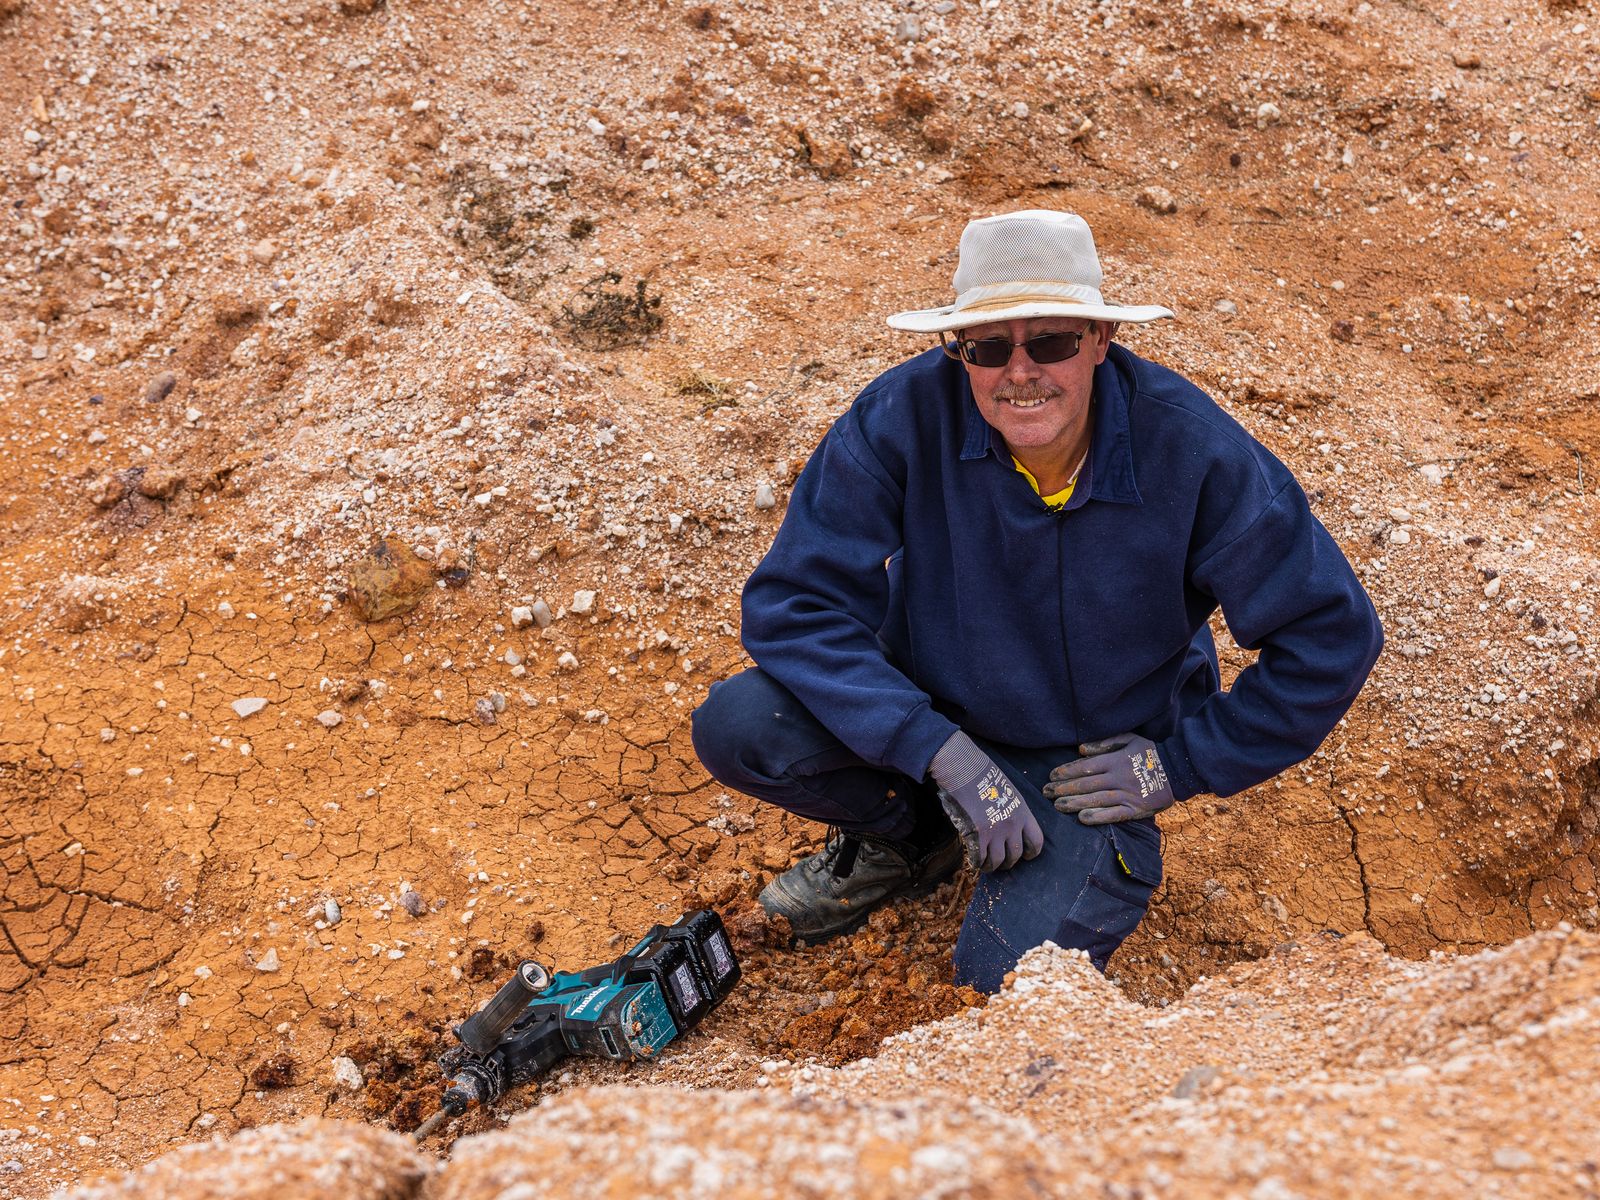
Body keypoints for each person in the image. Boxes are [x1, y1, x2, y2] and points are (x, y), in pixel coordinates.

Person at [690, 210, 1383, 992]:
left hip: (1076, 770)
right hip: (933, 714)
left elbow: (1331, 634)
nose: (1020, 372)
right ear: (958, 351)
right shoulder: (900, 418)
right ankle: (911, 837)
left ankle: (1056, 848)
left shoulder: (1192, 450)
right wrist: (938, 751)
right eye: (988, 348)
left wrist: (1179, 764)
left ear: (1099, 340)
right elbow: (794, 602)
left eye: (1050, 342)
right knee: (742, 725)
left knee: (1006, 985)